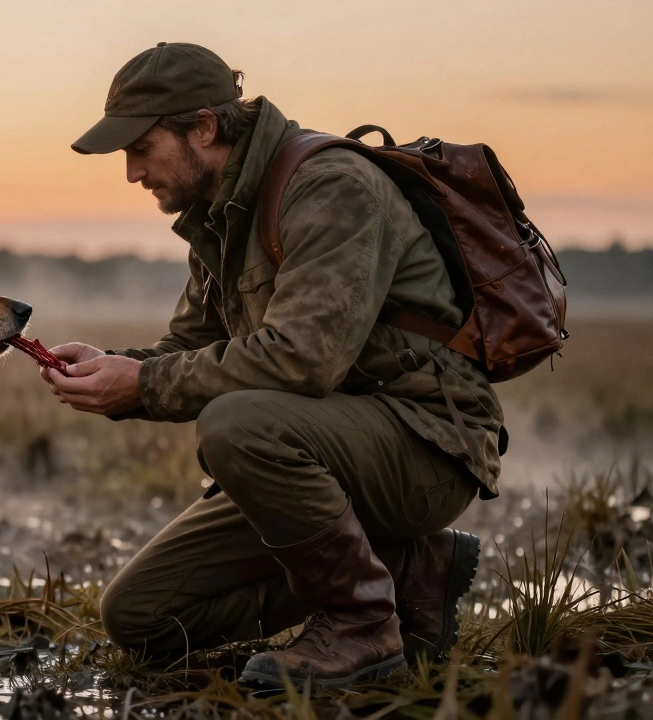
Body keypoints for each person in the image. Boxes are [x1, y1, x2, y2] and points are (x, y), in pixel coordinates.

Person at [41, 42, 500, 689]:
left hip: (426, 447)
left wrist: (144, 383)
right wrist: (117, 369)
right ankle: (402, 571)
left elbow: (304, 359)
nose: (132, 172)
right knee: (140, 617)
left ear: (203, 127)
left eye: (140, 148)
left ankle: (362, 624)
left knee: (237, 423)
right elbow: (188, 350)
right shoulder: (222, 215)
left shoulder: (329, 185)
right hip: (322, 451)